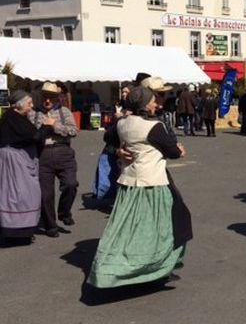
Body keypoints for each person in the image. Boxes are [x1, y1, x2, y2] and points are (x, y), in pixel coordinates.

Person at [87, 87, 190, 287]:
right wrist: (179, 150)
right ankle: (154, 269)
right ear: (144, 103)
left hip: (129, 184)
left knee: (127, 230)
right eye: (153, 101)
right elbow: (173, 151)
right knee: (163, 228)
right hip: (153, 184)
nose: (156, 104)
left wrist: (119, 151)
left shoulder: (122, 124)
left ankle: (112, 269)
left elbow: (108, 138)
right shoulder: (154, 126)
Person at [0, 91, 54, 244]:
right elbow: (33, 136)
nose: (31, 107)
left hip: (20, 160)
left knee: (26, 194)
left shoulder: (17, 118)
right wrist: (46, 126)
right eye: (29, 103)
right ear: (20, 104)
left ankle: (22, 231)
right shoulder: (12, 119)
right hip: (15, 162)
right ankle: (15, 233)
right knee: (20, 195)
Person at [30, 82, 79, 237]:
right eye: (45, 97)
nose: (48, 101)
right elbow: (31, 135)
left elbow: (73, 131)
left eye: (51, 97)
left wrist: (55, 125)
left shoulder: (64, 112)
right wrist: (42, 127)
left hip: (63, 151)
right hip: (43, 153)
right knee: (46, 194)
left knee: (70, 184)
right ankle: (50, 225)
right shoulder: (34, 113)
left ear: (57, 98)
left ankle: (64, 212)